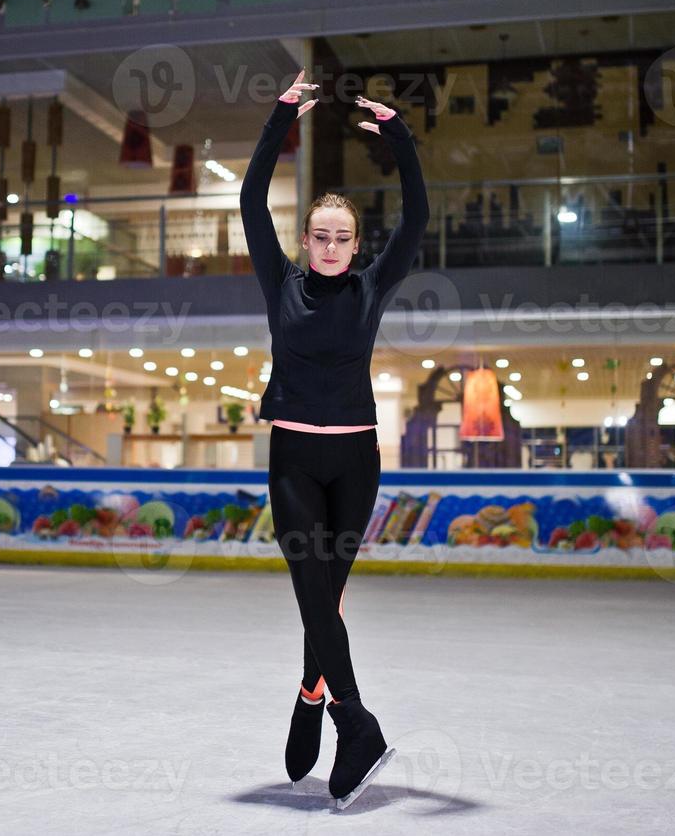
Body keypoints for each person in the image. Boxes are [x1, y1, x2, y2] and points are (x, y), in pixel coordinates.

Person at [239, 69, 429, 808]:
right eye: (318, 234)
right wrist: (281, 114)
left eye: (341, 236)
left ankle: (312, 690)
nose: (328, 245)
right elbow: (251, 197)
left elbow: (416, 212)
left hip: (355, 461)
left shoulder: (372, 287)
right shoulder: (277, 280)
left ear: (355, 244)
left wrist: (399, 138)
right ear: (305, 239)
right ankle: (358, 725)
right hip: (291, 459)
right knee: (311, 593)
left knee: (330, 594)